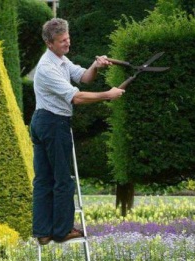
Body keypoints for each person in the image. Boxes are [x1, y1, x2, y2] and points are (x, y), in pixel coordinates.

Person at [30, 18, 125, 245]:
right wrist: (107, 95)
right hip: (53, 124)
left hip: (44, 121)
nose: (67, 43)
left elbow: (83, 77)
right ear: (49, 43)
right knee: (62, 180)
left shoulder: (61, 60)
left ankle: (43, 232)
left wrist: (96, 66)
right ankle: (62, 231)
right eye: (62, 41)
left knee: (43, 180)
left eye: (68, 38)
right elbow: (76, 97)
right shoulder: (46, 68)